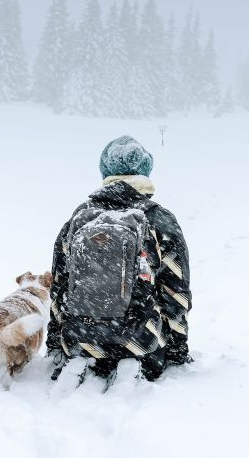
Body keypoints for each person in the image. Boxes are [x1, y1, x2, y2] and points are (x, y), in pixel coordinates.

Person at [46, 135, 191, 382]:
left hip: (80, 344)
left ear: (105, 171)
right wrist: (177, 350)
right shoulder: (160, 219)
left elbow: (60, 286)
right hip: (142, 347)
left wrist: (56, 343)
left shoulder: (81, 217)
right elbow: (175, 291)